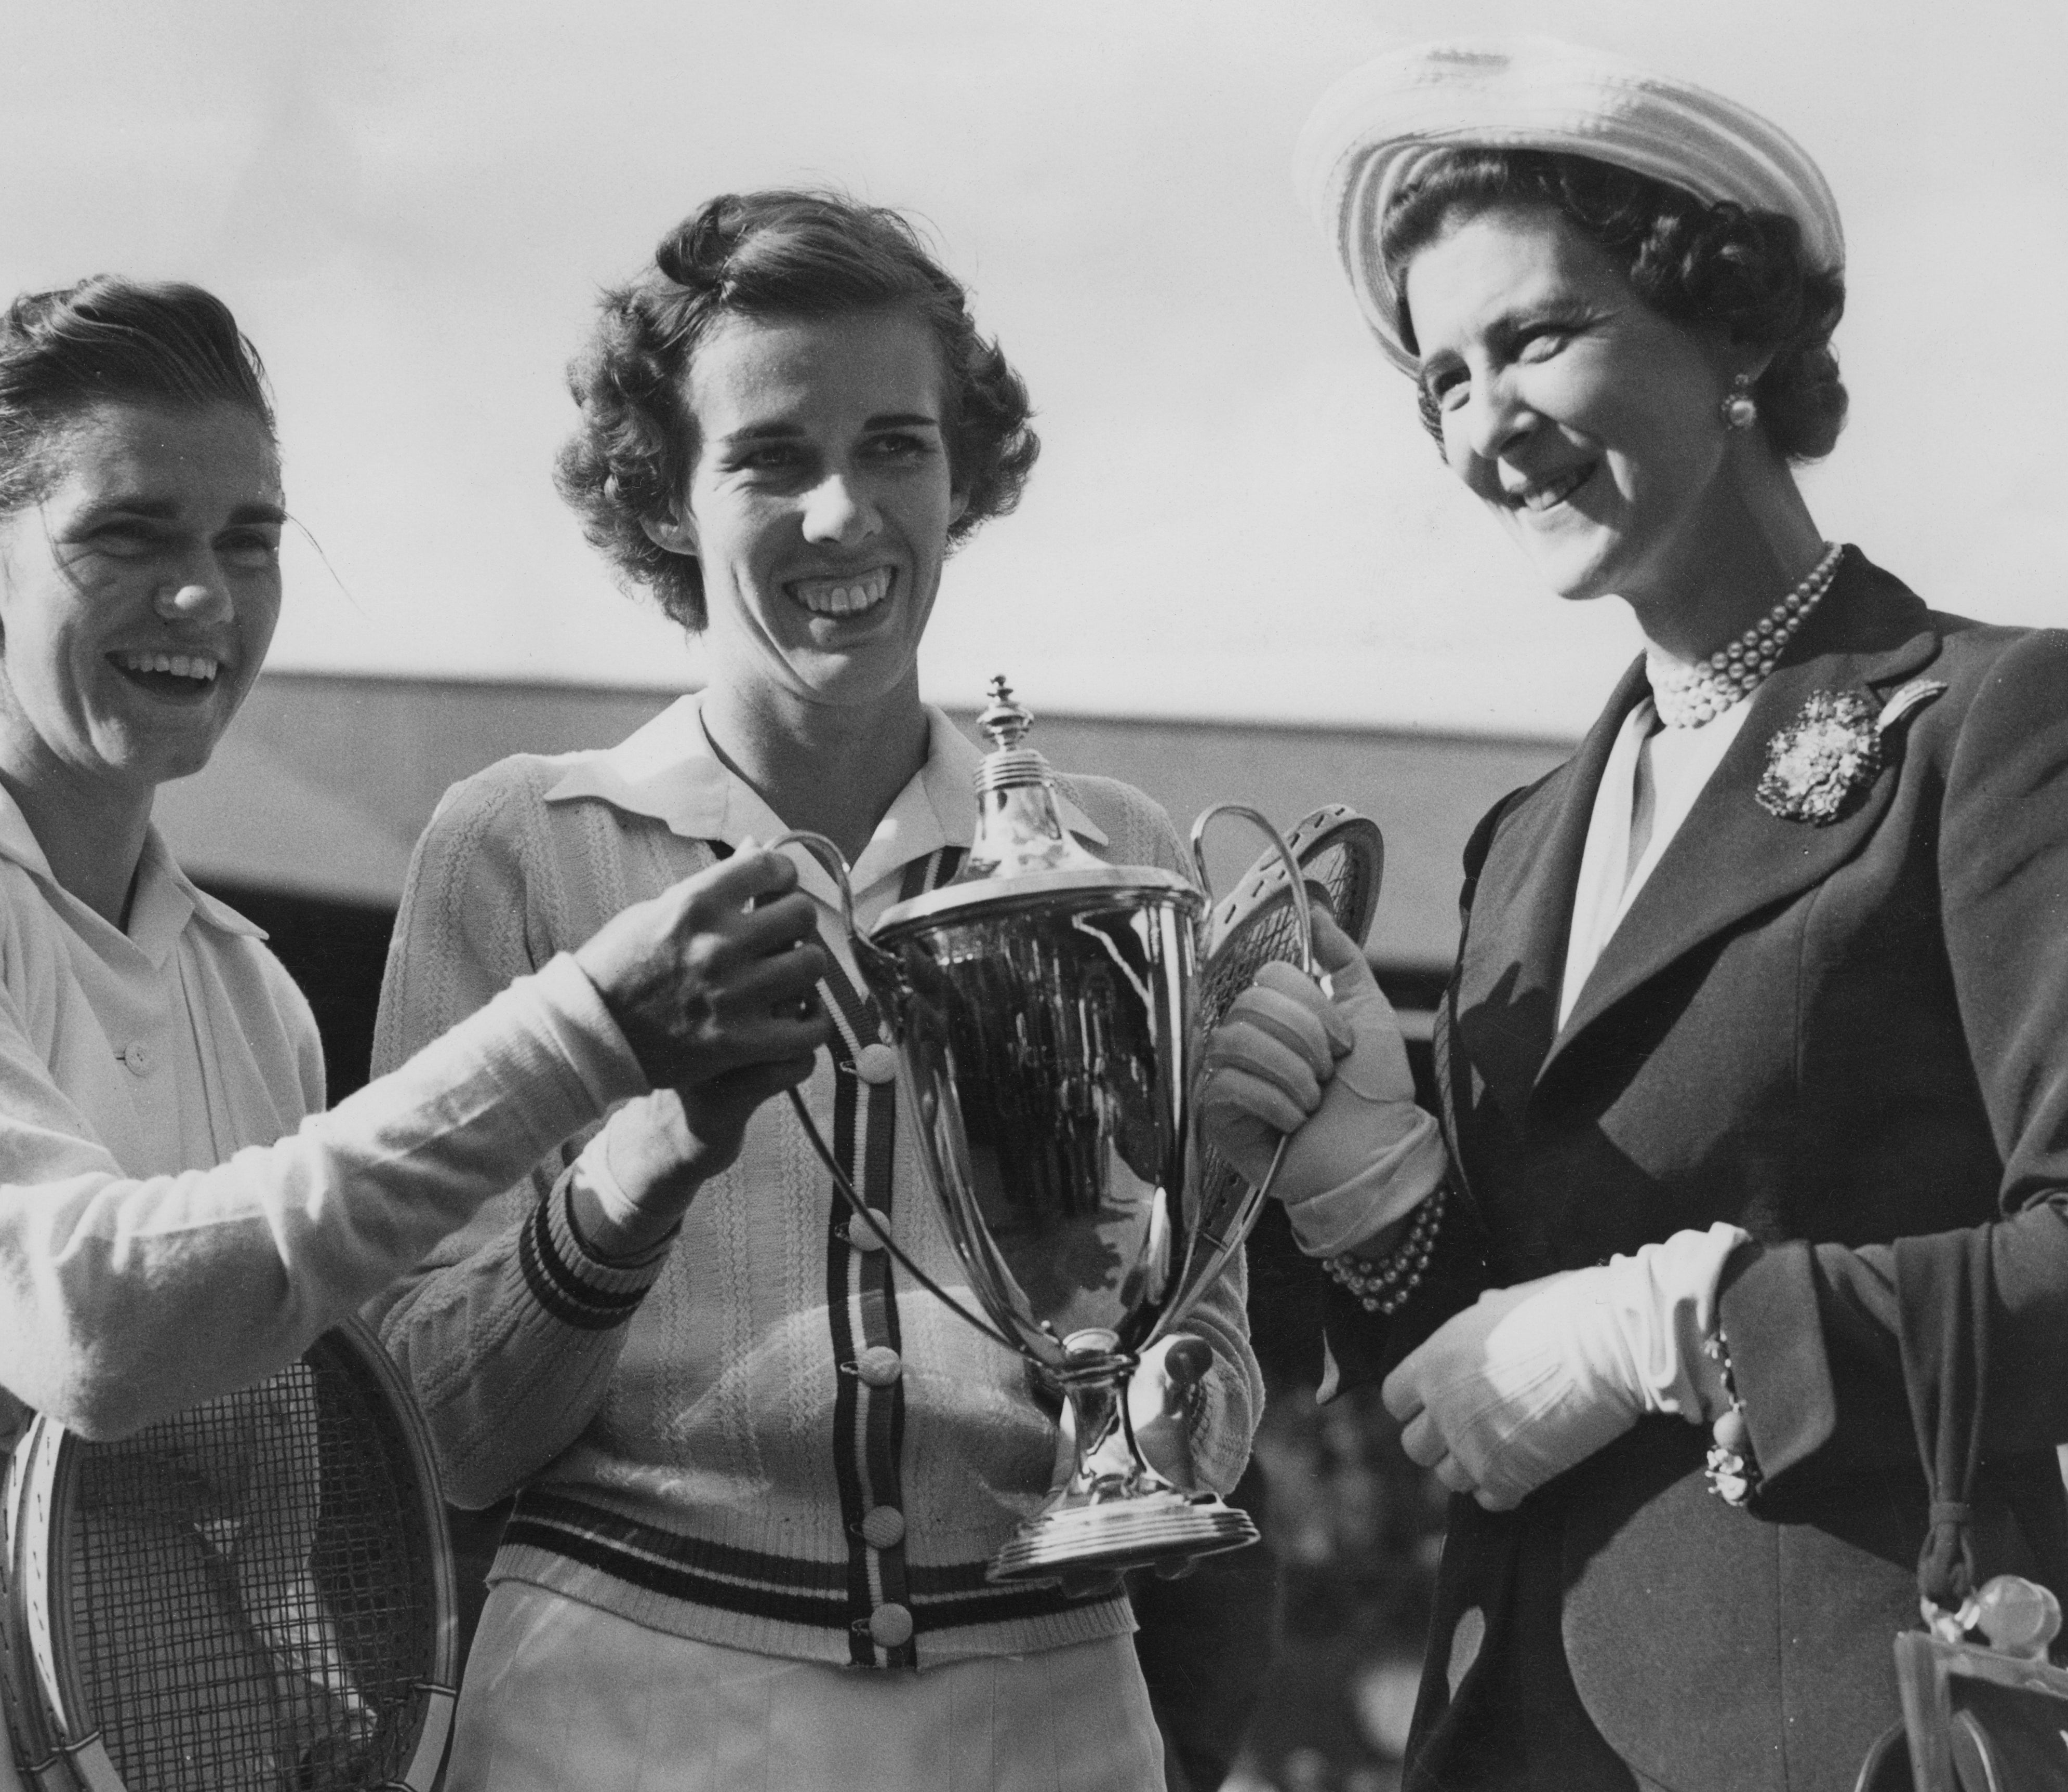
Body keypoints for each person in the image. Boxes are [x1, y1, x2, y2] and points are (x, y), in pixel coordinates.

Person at [0, 275, 829, 1792]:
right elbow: (84, 1319)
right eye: (127, 534)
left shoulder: (252, 997)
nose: (204, 598)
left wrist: (642, 1154)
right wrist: (584, 1031)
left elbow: (279, 1518)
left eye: (248, 540)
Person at [1197, 38, 2068, 1790]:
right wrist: (1366, 1178)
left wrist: (1677, 1322)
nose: (1483, 422)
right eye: (1441, 376)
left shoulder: (1992, 724)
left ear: (1733, 327)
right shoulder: (1521, 845)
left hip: (1859, 1723)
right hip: (1520, 1728)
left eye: (1535, 336)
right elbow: (1482, 1371)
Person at [370, 190, 1264, 1791]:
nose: (843, 515)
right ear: (661, 495)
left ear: (963, 469)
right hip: (625, 1711)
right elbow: (440, 1428)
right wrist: (638, 1164)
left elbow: (1191, 1362)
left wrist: (1203, 1312)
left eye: (896, 445)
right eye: (769, 457)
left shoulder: (1114, 857)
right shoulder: (518, 846)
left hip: (1046, 1709)